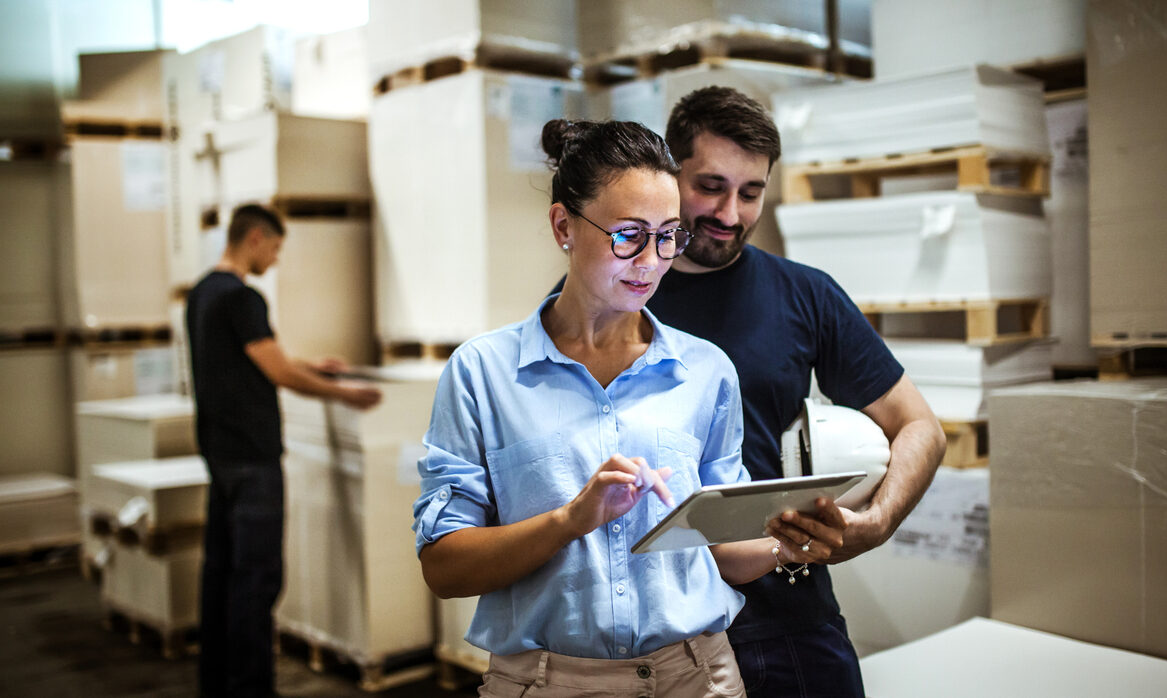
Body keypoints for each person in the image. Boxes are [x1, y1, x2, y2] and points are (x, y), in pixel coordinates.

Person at [412, 120, 826, 698]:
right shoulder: (483, 373)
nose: (651, 262)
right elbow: (445, 568)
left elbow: (724, 552)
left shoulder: (706, 372)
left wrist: (790, 538)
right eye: (629, 234)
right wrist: (570, 520)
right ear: (564, 225)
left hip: (698, 676)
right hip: (544, 682)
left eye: (668, 236)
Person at [653, 87, 947, 696]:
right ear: (668, 171)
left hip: (787, 624)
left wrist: (877, 521)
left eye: (751, 193)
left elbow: (920, 426)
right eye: (709, 186)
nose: (730, 213)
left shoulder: (805, 294)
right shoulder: (613, 295)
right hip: (653, 632)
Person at [186, 203, 382, 698]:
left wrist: (314, 364)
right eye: (274, 249)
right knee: (257, 579)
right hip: (253, 459)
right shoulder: (242, 298)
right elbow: (278, 373)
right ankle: (251, 687)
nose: (273, 260)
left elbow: (254, 358)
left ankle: (217, 682)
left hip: (219, 454)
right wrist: (344, 392)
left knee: (221, 573)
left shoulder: (202, 294)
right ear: (254, 238)